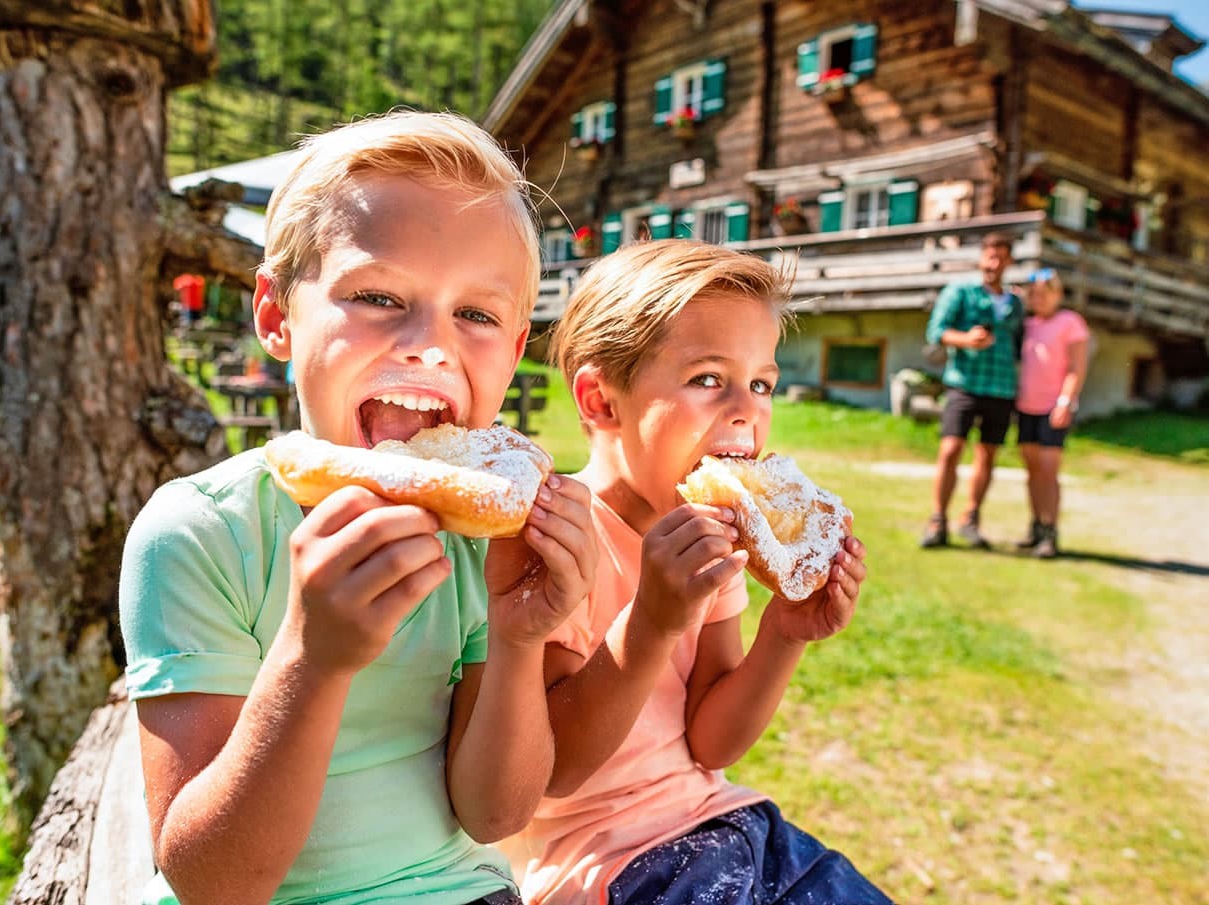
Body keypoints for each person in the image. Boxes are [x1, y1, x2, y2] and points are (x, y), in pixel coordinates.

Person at [119, 111, 596, 905]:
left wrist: (520, 638)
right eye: (378, 295)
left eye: (475, 314)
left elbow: (495, 814)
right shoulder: (199, 532)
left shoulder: (486, 545)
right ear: (276, 315)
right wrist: (314, 658)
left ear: (514, 352)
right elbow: (211, 880)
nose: (431, 343)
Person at [509, 240, 891, 905]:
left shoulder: (716, 535)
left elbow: (711, 743)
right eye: (709, 378)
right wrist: (652, 622)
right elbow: (555, 772)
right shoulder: (556, 536)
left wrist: (785, 632)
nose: (747, 407)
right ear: (601, 400)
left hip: (734, 826)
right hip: (609, 865)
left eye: (762, 382)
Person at [920, 231, 1024, 549]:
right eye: (989, 255)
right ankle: (937, 520)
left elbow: (1020, 343)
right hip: (964, 384)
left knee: (988, 454)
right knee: (950, 450)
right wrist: (966, 340)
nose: (993, 262)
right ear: (981, 259)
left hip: (1002, 388)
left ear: (1008, 261)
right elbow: (936, 331)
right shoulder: (960, 292)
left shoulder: (1016, 302)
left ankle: (971, 518)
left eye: (1000, 256)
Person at [1014, 268, 1090, 559]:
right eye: (1033, 294)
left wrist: (1065, 402)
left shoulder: (1071, 322)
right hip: (1026, 408)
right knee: (1032, 471)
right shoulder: (1028, 324)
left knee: (1048, 471)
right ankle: (1035, 527)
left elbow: (1077, 367)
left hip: (1052, 408)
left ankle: (1050, 530)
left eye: (1045, 293)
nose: (1039, 299)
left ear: (1057, 294)